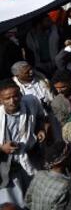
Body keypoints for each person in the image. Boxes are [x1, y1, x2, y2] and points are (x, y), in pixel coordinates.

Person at [0, 78, 48, 207]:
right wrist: (1, 148)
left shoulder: (31, 101)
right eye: (7, 98)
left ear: (20, 94)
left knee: (36, 199)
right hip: (7, 168)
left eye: (15, 96)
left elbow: (40, 117)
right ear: (0, 100)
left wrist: (40, 129)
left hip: (30, 158)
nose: (12, 101)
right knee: (12, 203)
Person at [23, 140, 71, 210]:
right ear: (65, 160)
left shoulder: (39, 175)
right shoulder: (66, 185)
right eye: (70, 155)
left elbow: (27, 201)